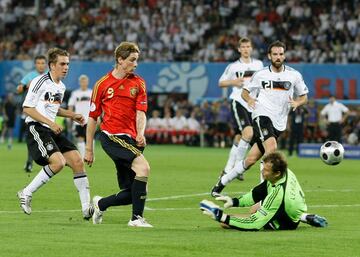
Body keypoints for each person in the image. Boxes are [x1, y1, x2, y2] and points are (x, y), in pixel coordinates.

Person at [211, 40, 308, 196]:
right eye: (275, 54)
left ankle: (221, 183)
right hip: (261, 115)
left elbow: (304, 97)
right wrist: (249, 100)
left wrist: (297, 102)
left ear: (284, 56)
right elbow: (244, 92)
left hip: (279, 123)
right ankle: (265, 193)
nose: (278, 57)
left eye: (281, 54)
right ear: (269, 56)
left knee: (250, 160)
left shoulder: (294, 75)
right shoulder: (261, 74)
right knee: (272, 149)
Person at [17, 48, 93, 220]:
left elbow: (54, 108)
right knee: (58, 162)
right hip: (37, 127)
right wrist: (50, 123)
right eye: (62, 64)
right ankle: (26, 192)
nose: (66, 67)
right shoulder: (40, 81)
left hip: (50, 129)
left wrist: (72, 115)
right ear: (52, 65)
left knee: (77, 161)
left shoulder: (61, 86)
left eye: (67, 64)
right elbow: (27, 108)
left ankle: (86, 208)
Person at [84, 41, 153, 227]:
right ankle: (136, 219)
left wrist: (140, 133)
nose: (136, 64)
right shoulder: (102, 84)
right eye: (132, 60)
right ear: (120, 60)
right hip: (111, 136)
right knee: (143, 168)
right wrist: (89, 149)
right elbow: (92, 118)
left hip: (131, 139)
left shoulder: (139, 83)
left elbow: (141, 112)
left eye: (137, 60)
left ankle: (100, 203)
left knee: (134, 192)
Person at [201, 151, 328, 230]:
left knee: (232, 222)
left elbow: (254, 223)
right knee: (255, 206)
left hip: (287, 221)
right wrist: (234, 202)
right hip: (294, 205)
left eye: (266, 170)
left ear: (277, 173)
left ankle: (302, 218)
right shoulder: (285, 172)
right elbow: (256, 194)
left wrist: (222, 217)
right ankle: (305, 217)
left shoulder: (278, 196)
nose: (262, 172)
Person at [217, 37, 263, 180]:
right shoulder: (233, 66)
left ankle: (226, 170)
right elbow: (221, 82)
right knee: (248, 133)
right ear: (239, 49)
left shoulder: (259, 64)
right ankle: (238, 168)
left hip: (253, 104)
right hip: (239, 101)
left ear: (251, 48)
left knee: (240, 137)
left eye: (248, 46)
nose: (245, 49)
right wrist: (233, 81)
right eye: (242, 47)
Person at [17, 55, 47, 172]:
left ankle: (48, 161)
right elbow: (18, 89)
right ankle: (30, 162)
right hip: (32, 111)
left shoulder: (49, 76)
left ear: (46, 64)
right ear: (35, 65)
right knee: (32, 137)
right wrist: (25, 86)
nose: (41, 65)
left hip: (46, 111)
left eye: (43, 63)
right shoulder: (30, 76)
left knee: (47, 136)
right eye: (38, 63)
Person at [68, 74, 92, 158]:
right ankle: (82, 157)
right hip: (78, 120)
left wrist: (98, 117)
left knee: (89, 138)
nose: (83, 82)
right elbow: (70, 105)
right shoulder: (75, 93)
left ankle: (91, 155)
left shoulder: (91, 93)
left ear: (88, 82)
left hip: (89, 119)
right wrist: (71, 116)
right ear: (79, 82)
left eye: (85, 81)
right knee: (80, 138)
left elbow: (95, 106)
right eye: (82, 81)